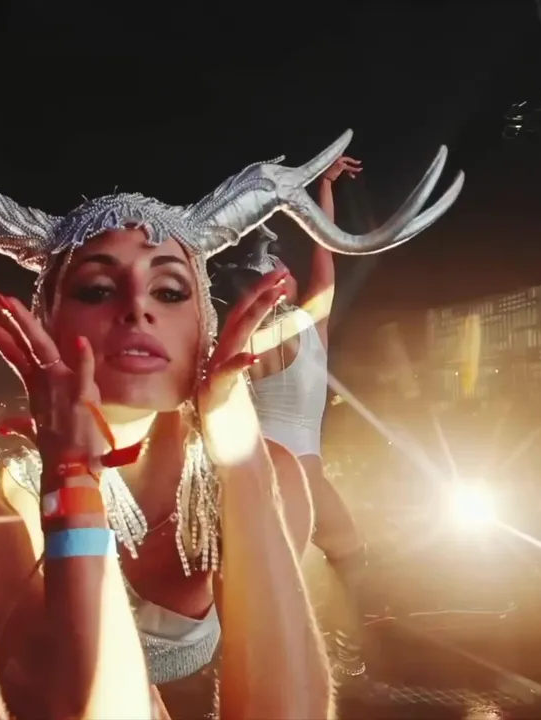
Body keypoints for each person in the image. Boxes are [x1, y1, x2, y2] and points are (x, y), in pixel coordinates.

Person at [0, 92, 462, 719]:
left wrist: (240, 453)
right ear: (47, 323)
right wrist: (72, 483)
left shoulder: (270, 476)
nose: (137, 308)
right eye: (96, 288)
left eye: (170, 289)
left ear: (203, 329)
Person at [214, 154, 372, 677]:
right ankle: (279, 664)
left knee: (337, 558)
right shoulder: (284, 329)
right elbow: (325, 253)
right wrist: (323, 188)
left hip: (281, 470)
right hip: (285, 472)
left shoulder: (284, 329)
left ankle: (321, 653)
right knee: (331, 563)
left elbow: (326, 249)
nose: (289, 271)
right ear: (271, 287)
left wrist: (325, 188)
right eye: (280, 269)